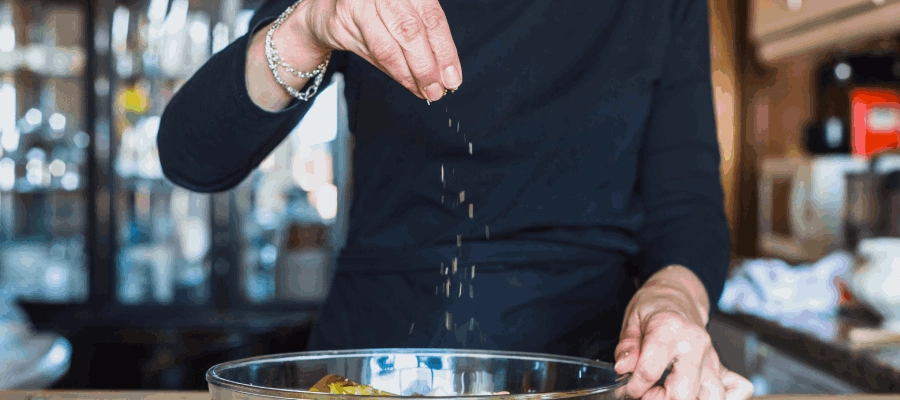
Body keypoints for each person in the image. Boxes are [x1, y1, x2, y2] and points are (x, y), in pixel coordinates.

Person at [158, 0, 754, 398]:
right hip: (378, 355)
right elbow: (192, 154)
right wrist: (307, 25)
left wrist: (673, 298)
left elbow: (688, 202)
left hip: (586, 367)